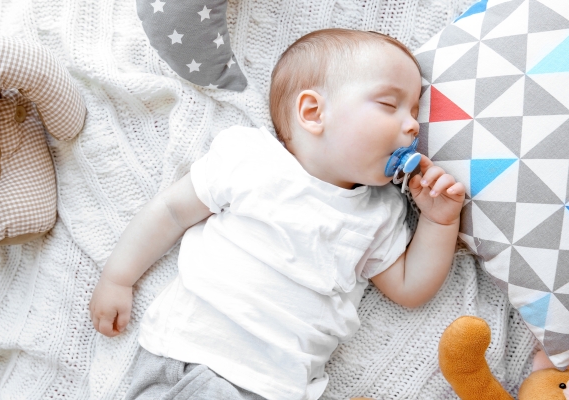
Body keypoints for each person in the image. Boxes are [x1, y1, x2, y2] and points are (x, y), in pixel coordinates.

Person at [89, 28, 466, 400]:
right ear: (313, 112)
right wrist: (119, 277)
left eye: (415, 111)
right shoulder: (250, 159)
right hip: (191, 358)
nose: (413, 125)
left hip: (276, 388)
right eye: (389, 104)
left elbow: (409, 287)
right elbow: (171, 212)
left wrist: (438, 221)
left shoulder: (379, 213)